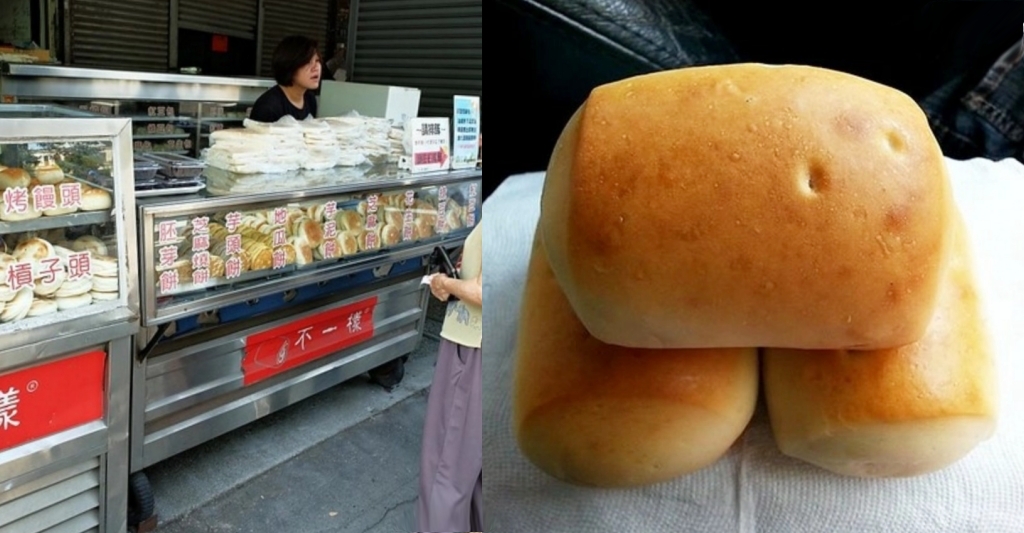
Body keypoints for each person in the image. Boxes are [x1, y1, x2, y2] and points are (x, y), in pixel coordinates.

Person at [417, 220, 483, 533]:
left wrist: (445, 283)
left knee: (447, 467)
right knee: (476, 470)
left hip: (472, 346)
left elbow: (483, 291)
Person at [250, 35, 323, 123]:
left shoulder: (310, 99)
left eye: (317, 60)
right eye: (307, 62)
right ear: (289, 65)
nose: (316, 67)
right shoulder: (268, 107)